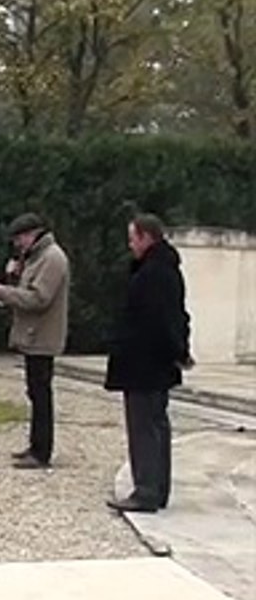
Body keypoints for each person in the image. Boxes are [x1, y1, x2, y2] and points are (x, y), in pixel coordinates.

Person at [105, 214, 193, 514]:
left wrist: (175, 350)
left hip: (145, 362)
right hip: (155, 362)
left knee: (144, 426)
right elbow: (178, 317)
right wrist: (180, 351)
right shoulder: (165, 270)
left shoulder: (154, 274)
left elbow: (162, 321)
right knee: (156, 424)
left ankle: (146, 490)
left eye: (133, 238)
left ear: (146, 238)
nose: (130, 245)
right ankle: (157, 488)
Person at [0, 213, 70, 470]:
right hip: (33, 335)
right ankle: (35, 445)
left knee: (41, 393)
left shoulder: (52, 258)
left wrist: (4, 292)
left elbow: (39, 298)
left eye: (20, 238)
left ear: (33, 234)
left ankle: (42, 451)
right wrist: (14, 278)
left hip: (43, 335)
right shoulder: (36, 258)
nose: (18, 244)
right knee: (34, 392)